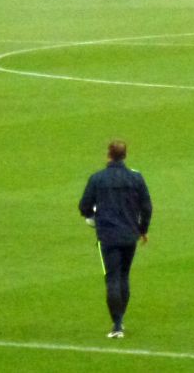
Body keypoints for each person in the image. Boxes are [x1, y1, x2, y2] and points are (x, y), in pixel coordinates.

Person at [78, 140, 153, 339]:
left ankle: (117, 325)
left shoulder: (97, 179)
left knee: (112, 278)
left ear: (108, 155)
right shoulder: (136, 178)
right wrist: (143, 229)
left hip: (108, 236)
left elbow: (84, 206)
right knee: (124, 276)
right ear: (125, 156)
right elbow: (147, 207)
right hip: (130, 235)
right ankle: (120, 321)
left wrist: (92, 217)